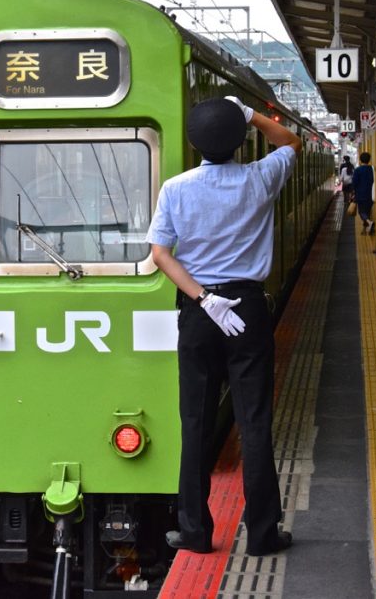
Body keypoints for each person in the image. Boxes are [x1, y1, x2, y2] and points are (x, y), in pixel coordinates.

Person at [146, 95, 301, 557]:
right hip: (247, 311)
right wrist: (249, 114)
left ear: (193, 143)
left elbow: (160, 255)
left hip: (199, 311)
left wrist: (203, 298)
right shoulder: (260, 177)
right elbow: (291, 141)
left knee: (194, 420)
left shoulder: (174, 188)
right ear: (240, 141)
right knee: (254, 421)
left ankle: (194, 531)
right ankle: (263, 533)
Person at [352, 151, 375, 234]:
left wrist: (353, 192)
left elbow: (354, 182)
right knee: (367, 211)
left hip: (361, 194)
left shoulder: (358, 170)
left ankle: (369, 223)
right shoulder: (372, 169)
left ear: (360, 160)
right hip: (371, 193)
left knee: (361, 212)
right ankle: (366, 229)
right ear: (369, 160)